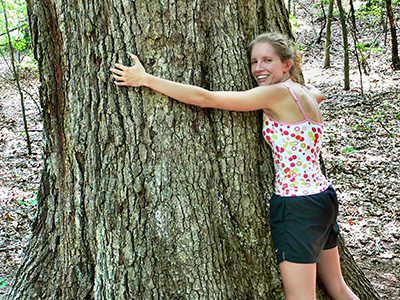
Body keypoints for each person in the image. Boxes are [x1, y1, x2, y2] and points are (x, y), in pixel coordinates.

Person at [110, 32, 359, 300]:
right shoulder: (304, 93)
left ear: (287, 64)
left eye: (268, 60)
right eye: (254, 62)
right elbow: (317, 92)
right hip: (323, 199)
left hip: (296, 205)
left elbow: (206, 98)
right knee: (338, 289)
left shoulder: (275, 94)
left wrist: (146, 79)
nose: (258, 68)